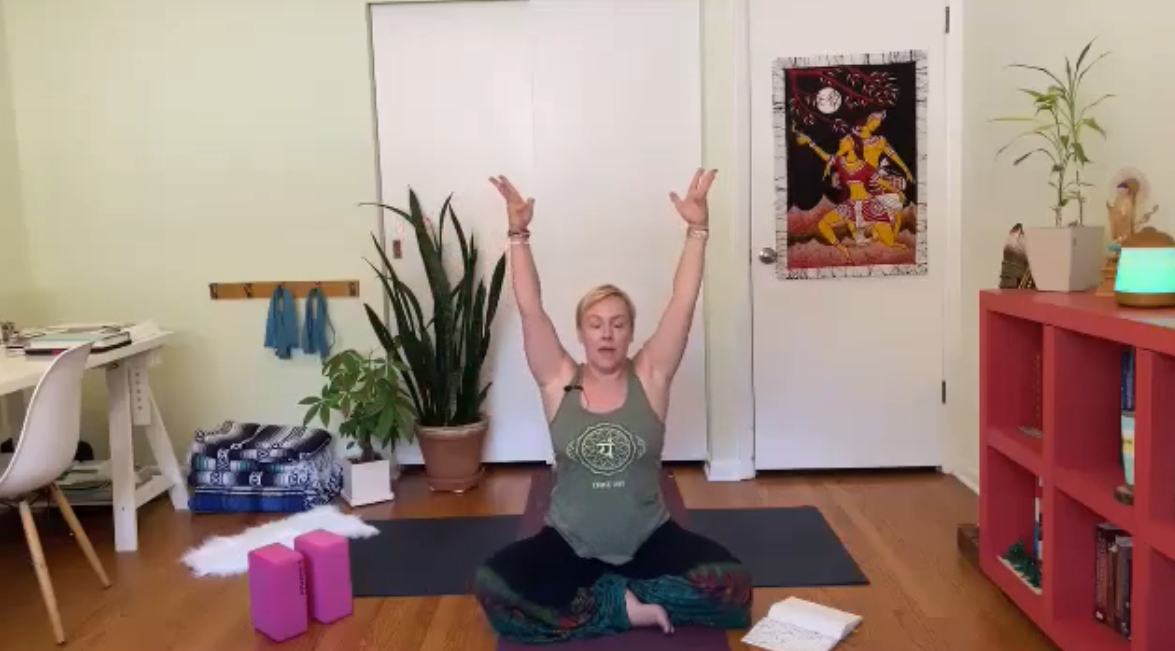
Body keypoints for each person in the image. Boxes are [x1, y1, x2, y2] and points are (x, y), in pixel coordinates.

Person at [472, 171, 752, 644]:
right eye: (596, 324)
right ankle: (620, 607)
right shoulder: (559, 380)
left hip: (649, 540)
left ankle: (606, 597)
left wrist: (697, 230)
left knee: (734, 586)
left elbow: (683, 303)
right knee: (492, 586)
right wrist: (518, 235)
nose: (606, 333)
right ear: (580, 334)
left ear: (630, 333)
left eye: (618, 324)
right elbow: (531, 308)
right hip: (569, 543)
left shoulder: (651, 377)